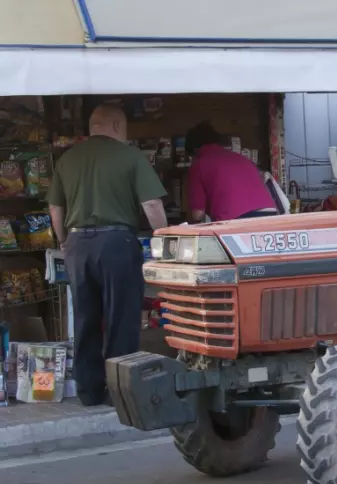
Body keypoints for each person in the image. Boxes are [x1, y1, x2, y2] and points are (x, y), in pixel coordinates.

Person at [47, 104, 168, 406]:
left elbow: (55, 208)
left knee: (86, 319)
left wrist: (63, 240)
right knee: (121, 318)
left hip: (77, 246)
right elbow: (152, 205)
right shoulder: (130, 156)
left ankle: (88, 391)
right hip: (117, 243)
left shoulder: (68, 159)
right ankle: (119, 392)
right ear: (116, 126)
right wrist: (166, 241)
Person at [185, 121, 278, 223]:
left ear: (194, 150)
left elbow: (198, 214)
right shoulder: (241, 158)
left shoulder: (198, 165)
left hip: (237, 219)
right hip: (270, 214)